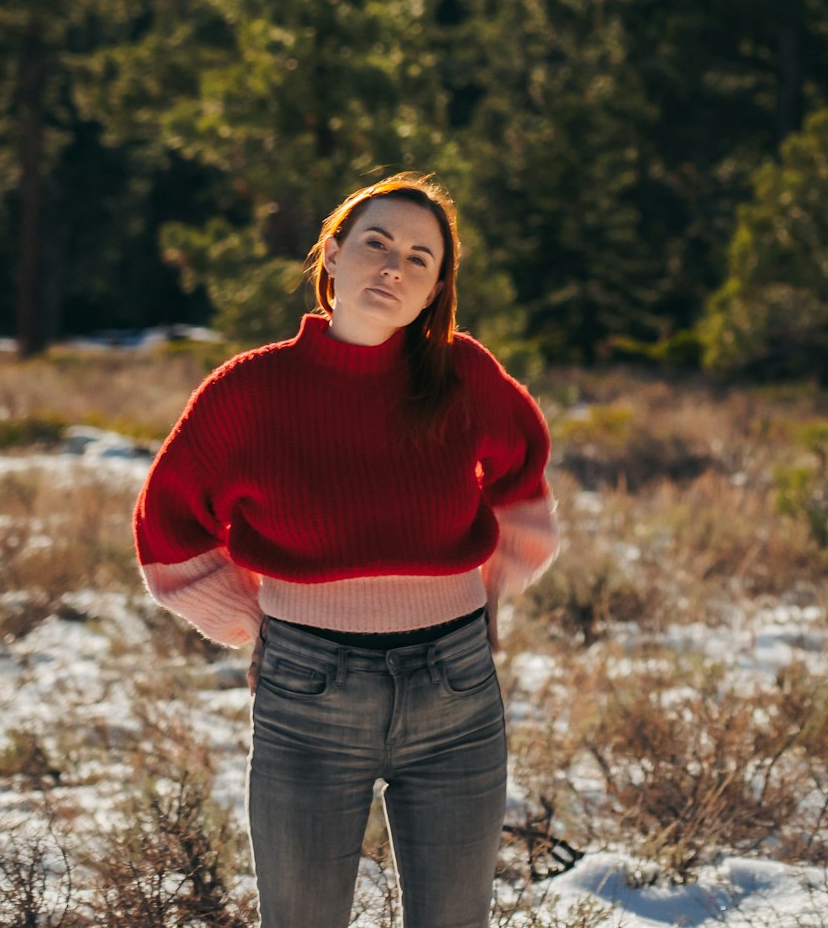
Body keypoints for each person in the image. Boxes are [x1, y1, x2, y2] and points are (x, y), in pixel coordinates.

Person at [133, 173, 559, 928]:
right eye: (376, 243)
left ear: (433, 293)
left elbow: (523, 480)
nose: (394, 267)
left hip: (456, 689)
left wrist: (491, 589)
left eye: (420, 259)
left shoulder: (462, 374)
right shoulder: (250, 390)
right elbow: (170, 531)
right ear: (331, 255)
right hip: (311, 690)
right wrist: (249, 623)